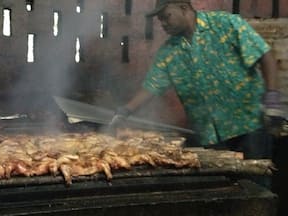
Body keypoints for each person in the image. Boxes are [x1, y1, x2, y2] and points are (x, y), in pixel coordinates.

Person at [110, 0, 283, 161]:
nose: (162, 24)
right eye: (160, 19)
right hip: (210, 136)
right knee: (223, 187)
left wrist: (272, 99)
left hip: (249, 126)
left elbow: (264, 55)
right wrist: (125, 111)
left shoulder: (225, 24)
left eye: (166, 17)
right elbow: (152, 86)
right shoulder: (169, 51)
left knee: (255, 185)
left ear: (184, 8)